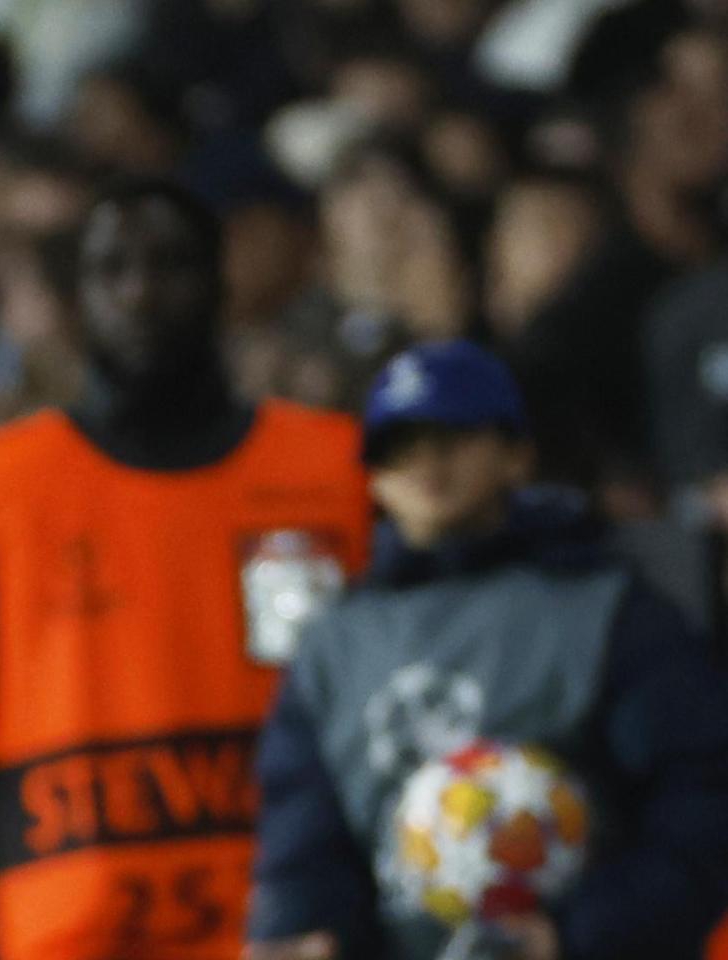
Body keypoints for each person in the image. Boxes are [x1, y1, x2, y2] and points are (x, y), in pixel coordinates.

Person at [0, 179, 371, 960]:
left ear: (220, 284)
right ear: (81, 299)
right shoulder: (6, 484)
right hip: (72, 934)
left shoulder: (330, 470)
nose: (141, 293)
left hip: (292, 927)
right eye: (114, 270)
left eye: (171, 264)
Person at [245, 340, 728, 960]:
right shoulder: (332, 645)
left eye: (452, 436)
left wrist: (584, 933)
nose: (426, 463)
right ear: (374, 478)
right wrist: (304, 927)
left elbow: (700, 800)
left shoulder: (607, 611)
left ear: (517, 454)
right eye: (398, 447)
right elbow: (304, 836)